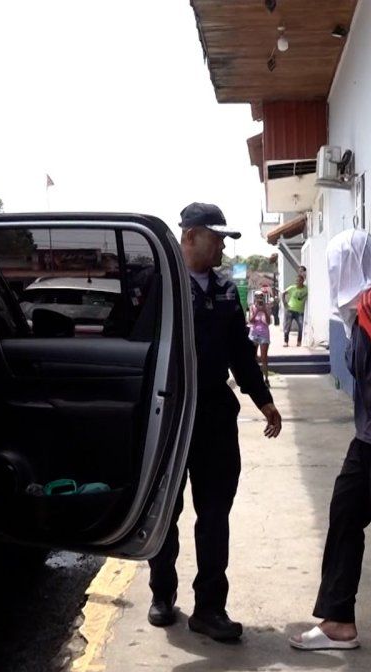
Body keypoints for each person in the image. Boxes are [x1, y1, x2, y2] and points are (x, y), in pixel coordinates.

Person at [147, 202, 284, 642]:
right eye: (216, 236)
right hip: (169, 414)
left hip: (214, 417)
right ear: (189, 237)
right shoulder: (161, 285)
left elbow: (241, 353)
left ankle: (210, 607)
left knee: (215, 515)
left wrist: (262, 399)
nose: (223, 244)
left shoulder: (225, 288)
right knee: (166, 511)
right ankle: (162, 594)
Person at [289, 230, 371, 652]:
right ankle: (338, 621)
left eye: (337, 265)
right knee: (346, 513)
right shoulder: (364, 307)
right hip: (370, 435)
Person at [248, 291, 272, 386]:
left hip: (264, 334)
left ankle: (266, 379)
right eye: (257, 297)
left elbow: (269, 322)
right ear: (255, 298)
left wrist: (264, 311)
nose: (259, 299)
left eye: (261, 297)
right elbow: (250, 321)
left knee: (264, 357)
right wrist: (257, 311)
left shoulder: (267, 307)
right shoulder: (252, 307)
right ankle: (254, 378)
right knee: (252, 357)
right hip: (254, 333)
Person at [283, 273, 308, 346]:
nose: (297, 282)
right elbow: (283, 293)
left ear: (302, 281)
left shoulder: (306, 289)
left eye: (299, 281)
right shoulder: (292, 288)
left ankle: (299, 342)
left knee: (301, 326)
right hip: (290, 310)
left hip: (300, 311)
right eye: (297, 281)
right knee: (287, 326)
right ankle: (286, 341)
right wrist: (284, 302)